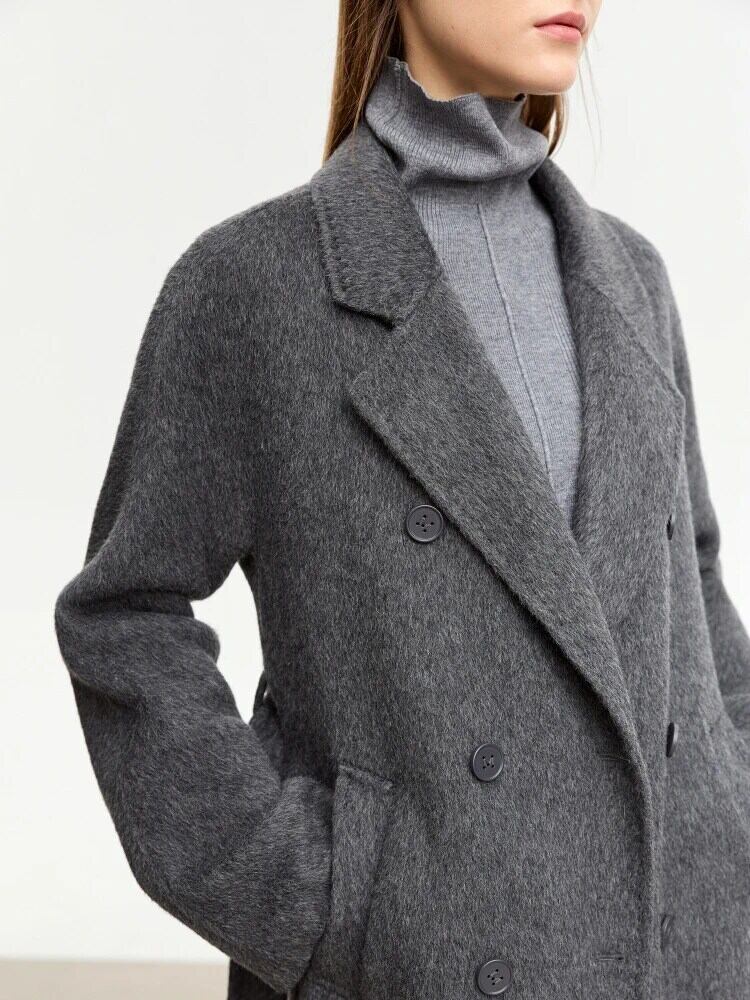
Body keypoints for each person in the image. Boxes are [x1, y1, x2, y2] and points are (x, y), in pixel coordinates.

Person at [54, 2, 750, 998]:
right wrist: (322, 904)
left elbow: (695, 582)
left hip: (687, 959)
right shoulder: (255, 285)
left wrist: (733, 813)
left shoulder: (631, 276)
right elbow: (125, 617)